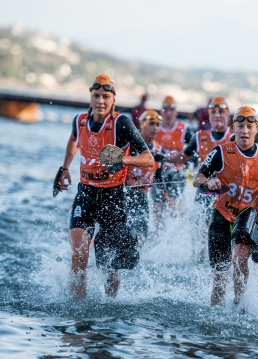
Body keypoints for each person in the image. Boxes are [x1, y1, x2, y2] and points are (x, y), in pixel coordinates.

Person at [56, 74, 154, 299]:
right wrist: (65, 168)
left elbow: (148, 158)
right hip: (86, 194)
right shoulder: (79, 121)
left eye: (105, 97)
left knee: (111, 264)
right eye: (96, 95)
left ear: (113, 100)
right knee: (80, 254)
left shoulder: (122, 123)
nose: (100, 101)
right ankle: (77, 308)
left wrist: (123, 160)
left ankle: (110, 307)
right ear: (90, 97)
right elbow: (73, 140)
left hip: (113, 197)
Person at [193, 106, 258, 306]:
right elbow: (198, 177)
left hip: (249, 214)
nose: (245, 131)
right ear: (234, 128)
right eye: (240, 126)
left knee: (240, 260)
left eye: (249, 126)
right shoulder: (221, 152)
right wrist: (208, 182)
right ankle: (216, 313)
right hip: (222, 213)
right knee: (220, 274)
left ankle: (239, 303)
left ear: (257, 129)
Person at [166, 96, 233, 260]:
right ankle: (199, 258)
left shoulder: (234, 138)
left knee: (223, 229)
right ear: (209, 116)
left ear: (228, 116)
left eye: (221, 112)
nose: (217, 115)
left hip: (226, 192)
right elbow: (184, 157)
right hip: (203, 189)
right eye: (214, 112)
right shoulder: (199, 136)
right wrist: (162, 158)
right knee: (198, 226)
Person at [125, 109, 166, 248]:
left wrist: (163, 193)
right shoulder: (130, 145)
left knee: (142, 237)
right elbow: (122, 176)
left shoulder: (159, 150)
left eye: (158, 124)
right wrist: (138, 182)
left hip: (141, 198)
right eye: (151, 123)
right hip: (124, 196)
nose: (155, 128)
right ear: (142, 124)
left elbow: (159, 177)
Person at [153, 96, 194, 222]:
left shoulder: (184, 129)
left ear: (176, 112)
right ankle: (159, 235)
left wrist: (195, 167)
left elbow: (195, 149)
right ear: (161, 111)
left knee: (174, 208)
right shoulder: (154, 127)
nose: (169, 113)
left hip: (177, 172)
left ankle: (178, 228)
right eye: (166, 110)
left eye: (172, 110)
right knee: (157, 208)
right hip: (158, 172)